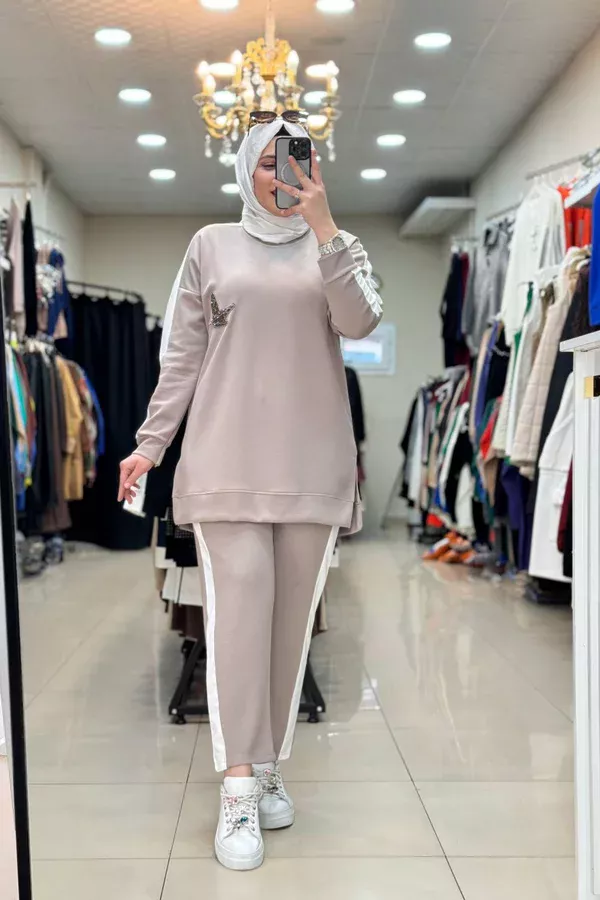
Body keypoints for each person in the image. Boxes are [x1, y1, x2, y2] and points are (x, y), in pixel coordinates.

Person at [118, 112, 382, 871]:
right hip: (225, 464)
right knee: (236, 621)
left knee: (289, 631)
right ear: (245, 169)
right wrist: (150, 444)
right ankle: (237, 784)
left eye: (298, 161)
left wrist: (324, 228)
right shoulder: (210, 245)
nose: (284, 175)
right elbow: (182, 356)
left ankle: (267, 765)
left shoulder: (341, 247)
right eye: (269, 162)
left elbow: (360, 321)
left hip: (312, 468)